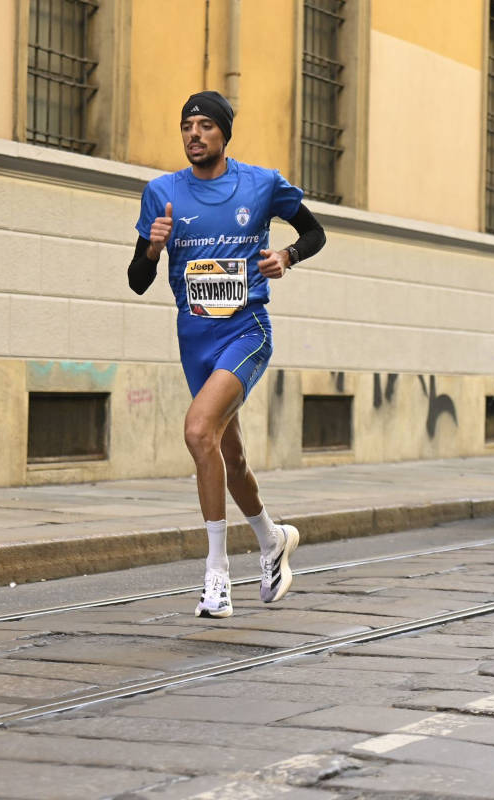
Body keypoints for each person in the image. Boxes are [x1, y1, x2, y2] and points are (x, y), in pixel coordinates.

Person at [127, 90, 326, 618]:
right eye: (186, 125)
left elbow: (315, 231)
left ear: (223, 134)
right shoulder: (162, 192)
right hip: (194, 341)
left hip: (246, 331)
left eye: (205, 126)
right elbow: (137, 280)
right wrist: (152, 247)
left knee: (197, 431)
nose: (194, 134)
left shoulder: (259, 184)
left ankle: (216, 575)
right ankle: (272, 538)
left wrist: (287, 255)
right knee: (228, 456)